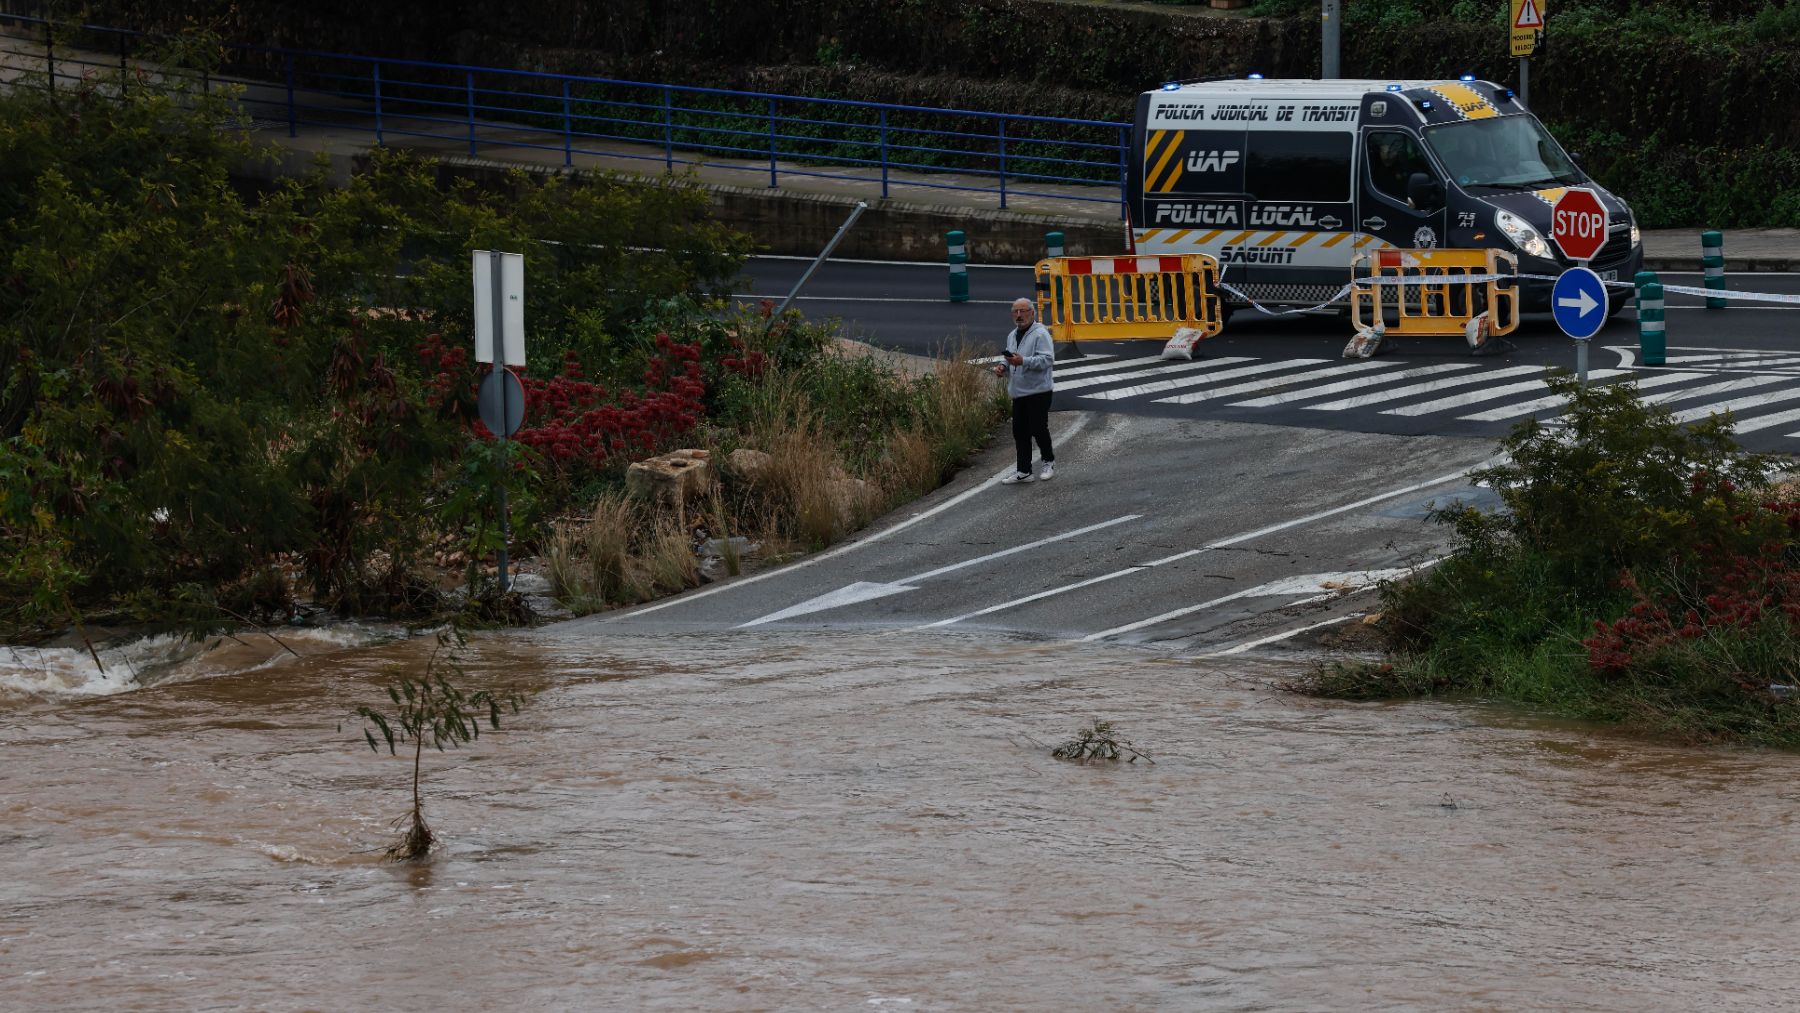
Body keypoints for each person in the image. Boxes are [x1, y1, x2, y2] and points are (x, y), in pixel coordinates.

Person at [992, 297, 1055, 484]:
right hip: (1018, 391)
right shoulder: (1012, 335)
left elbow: (1047, 360)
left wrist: (1023, 361)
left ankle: (1048, 461)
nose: (1019, 315)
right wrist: (1002, 367)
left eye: (1023, 311)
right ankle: (1024, 471)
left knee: (1038, 428)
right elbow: (1010, 357)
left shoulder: (1040, 334)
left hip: (1039, 391)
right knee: (1019, 432)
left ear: (1032, 313)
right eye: (1015, 312)